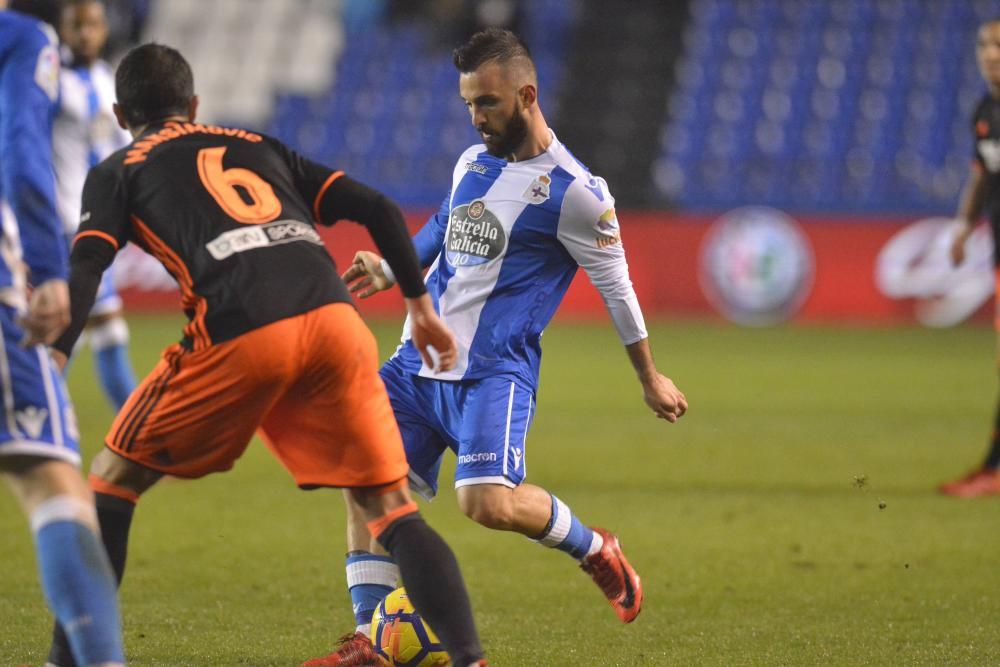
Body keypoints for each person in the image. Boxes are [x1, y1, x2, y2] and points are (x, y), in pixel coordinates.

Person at [44, 43, 487, 667]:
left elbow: (87, 265)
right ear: (194, 105)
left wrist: (56, 359)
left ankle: (68, 660)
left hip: (242, 329)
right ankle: (473, 660)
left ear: (120, 115)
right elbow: (381, 209)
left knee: (112, 480)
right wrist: (419, 305)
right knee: (390, 508)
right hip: (337, 323)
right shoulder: (256, 145)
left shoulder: (120, 167)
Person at [306, 27, 687, 667]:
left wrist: (648, 375)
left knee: (486, 504)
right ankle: (374, 643)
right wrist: (394, 269)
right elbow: (445, 227)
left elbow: (617, 287)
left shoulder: (578, 194)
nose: (477, 118)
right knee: (364, 476)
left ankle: (595, 548)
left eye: (486, 103)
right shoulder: (471, 162)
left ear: (527, 95)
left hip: (493, 374)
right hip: (416, 363)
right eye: (468, 105)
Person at [0, 3, 126, 667]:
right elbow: (22, 152)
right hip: (54, 238)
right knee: (50, 477)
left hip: (91, 221)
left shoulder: (101, 77)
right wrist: (48, 271)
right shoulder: (21, 39)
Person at [53, 0, 136, 410]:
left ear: (104, 30)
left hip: (98, 223)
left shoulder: (107, 81)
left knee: (94, 328)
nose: (86, 33)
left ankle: (30, 417)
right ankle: (144, 439)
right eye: (77, 26)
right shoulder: (47, 81)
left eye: (93, 25)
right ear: (63, 30)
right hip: (65, 222)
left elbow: (126, 148)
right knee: (86, 327)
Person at [942, 17, 1000, 498]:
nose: (990, 54)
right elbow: (982, 174)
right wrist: (964, 226)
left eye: (999, 46)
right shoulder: (985, 110)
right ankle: (993, 467)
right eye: (985, 45)